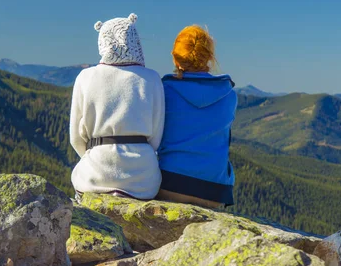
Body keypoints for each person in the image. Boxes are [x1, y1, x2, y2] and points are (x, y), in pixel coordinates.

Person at [70, 13, 164, 201]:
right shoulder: (152, 78)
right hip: (143, 180)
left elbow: (76, 138)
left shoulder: (85, 77)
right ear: (134, 40)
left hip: (95, 175)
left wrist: (93, 155)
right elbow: (156, 137)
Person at [157, 24, 237, 208]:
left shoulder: (164, 90)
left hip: (170, 183)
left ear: (176, 58)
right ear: (209, 57)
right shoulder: (229, 95)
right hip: (215, 190)